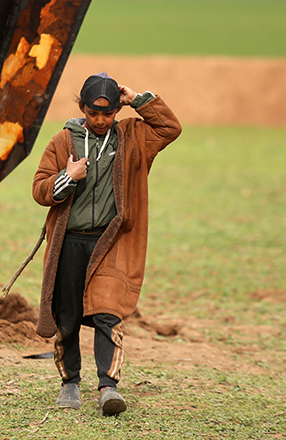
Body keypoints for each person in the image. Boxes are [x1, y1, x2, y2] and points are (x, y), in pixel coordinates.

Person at [31, 72, 181, 415]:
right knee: (66, 315)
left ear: (117, 109)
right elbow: (39, 189)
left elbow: (170, 128)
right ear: (82, 107)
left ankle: (108, 388)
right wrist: (68, 177)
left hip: (111, 242)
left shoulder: (133, 137)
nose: (100, 120)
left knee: (107, 314)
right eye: (93, 112)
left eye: (109, 112)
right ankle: (70, 383)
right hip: (68, 242)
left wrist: (139, 99)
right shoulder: (62, 141)